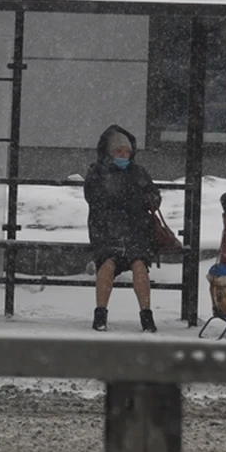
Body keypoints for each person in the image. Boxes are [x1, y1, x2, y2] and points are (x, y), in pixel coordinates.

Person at [84, 125, 161, 332]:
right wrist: (132, 200)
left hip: (135, 232)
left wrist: (147, 198)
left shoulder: (138, 172)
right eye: (119, 152)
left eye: (126, 152)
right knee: (107, 264)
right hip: (107, 232)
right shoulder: (97, 172)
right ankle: (100, 314)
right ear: (109, 153)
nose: (123, 155)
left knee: (139, 265)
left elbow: (153, 195)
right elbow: (96, 199)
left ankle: (146, 315)